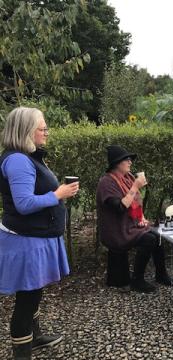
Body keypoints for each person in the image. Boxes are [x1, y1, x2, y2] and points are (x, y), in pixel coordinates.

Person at [0, 107, 78, 359]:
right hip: (25, 241)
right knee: (26, 298)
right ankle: (22, 352)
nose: (46, 132)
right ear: (26, 130)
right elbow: (23, 204)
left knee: (33, 291)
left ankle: (34, 337)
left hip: (35, 238)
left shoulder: (27, 157)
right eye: (42, 128)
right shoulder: (18, 160)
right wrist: (58, 195)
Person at [96, 145, 173, 294]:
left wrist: (141, 218)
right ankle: (137, 280)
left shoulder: (128, 177)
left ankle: (161, 274)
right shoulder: (106, 182)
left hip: (131, 225)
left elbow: (136, 203)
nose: (130, 162)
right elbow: (120, 207)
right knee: (149, 239)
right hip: (117, 230)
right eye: (127, 159)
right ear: (117, 163)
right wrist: (135, 186)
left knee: (157, 236)